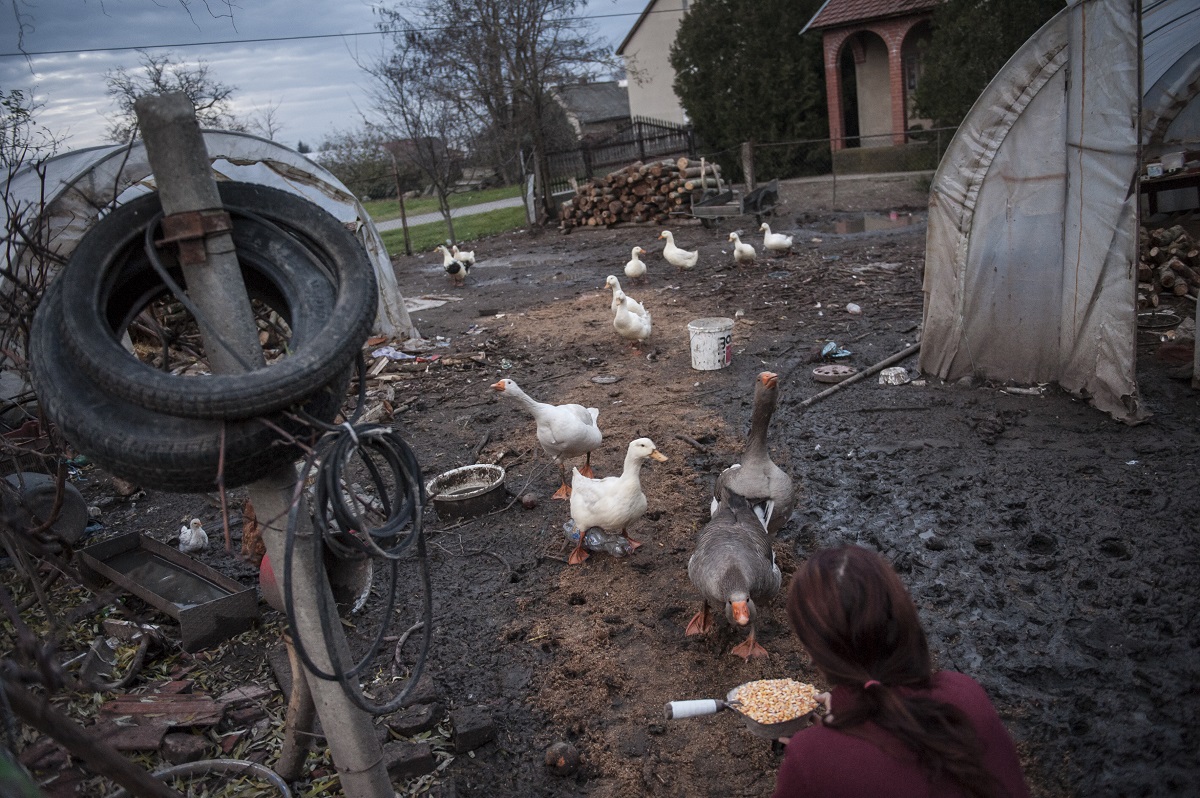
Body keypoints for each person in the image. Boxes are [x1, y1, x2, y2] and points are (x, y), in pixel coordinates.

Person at [772, 545, 1030, 798]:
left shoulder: (810, 760)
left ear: (814, 651)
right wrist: (845, 717)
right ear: (902, 615)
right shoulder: (966, 693)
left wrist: (821, 748)